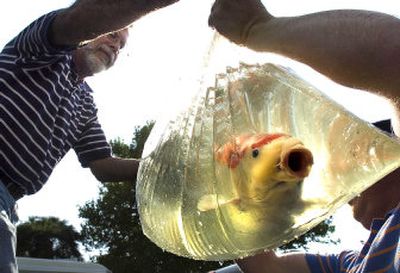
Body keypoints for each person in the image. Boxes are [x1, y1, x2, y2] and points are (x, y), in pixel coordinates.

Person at [208, 0, 400, 272]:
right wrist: (241, 191)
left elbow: (394, 55)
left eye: (356, 154)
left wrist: (256, 28)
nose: (345, 181)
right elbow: (267, 268)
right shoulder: (349, 263)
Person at [0, 0, 179, 272]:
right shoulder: (41, 49)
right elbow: (77, 19)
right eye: (112, 34)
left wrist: (166, 168)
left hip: (10, 204)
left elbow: (103, 165)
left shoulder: (84, 104)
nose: (115, 46)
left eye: (121, 46)